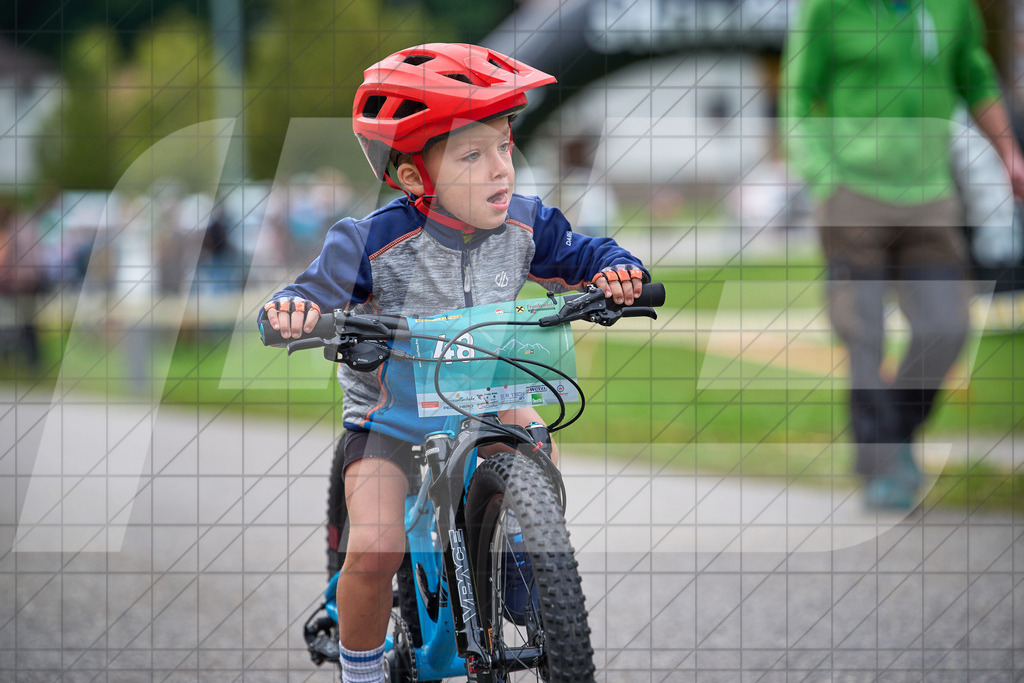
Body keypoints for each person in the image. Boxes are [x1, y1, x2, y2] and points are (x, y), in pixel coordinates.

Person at [258, 43, 648, 682]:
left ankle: (529, 578)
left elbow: (586, 252)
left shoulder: (527, 225)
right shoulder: (370, 242)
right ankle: (363, 672)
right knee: (376, 546)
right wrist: (293, 311)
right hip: (395, 424)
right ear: (414, 177)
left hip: (491, 400)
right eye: (472, 155)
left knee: (535, 450)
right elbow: (305, 293)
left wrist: (616, 271)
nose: (500, 169)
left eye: (503, 146)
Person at [780, 0, 1024, 509]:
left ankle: (891, 436)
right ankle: (884, 466)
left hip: (931, 193)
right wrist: (824, 179)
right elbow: (798, 97)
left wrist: (1009, 153)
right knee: (865, 335)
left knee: (946, 327)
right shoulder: (825, 9)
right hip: (851, 191)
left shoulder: (951, 7)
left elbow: (975, 77)